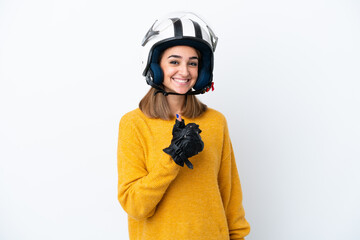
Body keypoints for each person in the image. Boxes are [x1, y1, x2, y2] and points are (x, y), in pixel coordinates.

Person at [117, 12, 250, 240]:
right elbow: (136, 207)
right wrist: (173, 158)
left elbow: (230, 196)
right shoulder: (134, 124)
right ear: (156, 65)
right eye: (174, 61)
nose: (185, 71)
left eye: (193, 63)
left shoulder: (215, 122)